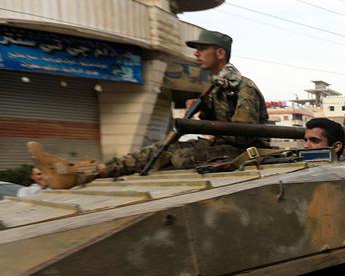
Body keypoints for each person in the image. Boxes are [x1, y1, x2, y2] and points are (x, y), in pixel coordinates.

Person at [28, 30, 269, 189]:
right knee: (156, 149)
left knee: (179, 155)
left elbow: (243, 131)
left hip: (243, 149)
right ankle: (82, 172)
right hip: (221, 147)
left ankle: (81, 172)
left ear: (220, 53)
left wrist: (202, 123)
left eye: (202, 48)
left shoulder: (242, 86)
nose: (196, 53)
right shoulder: (215, 88)